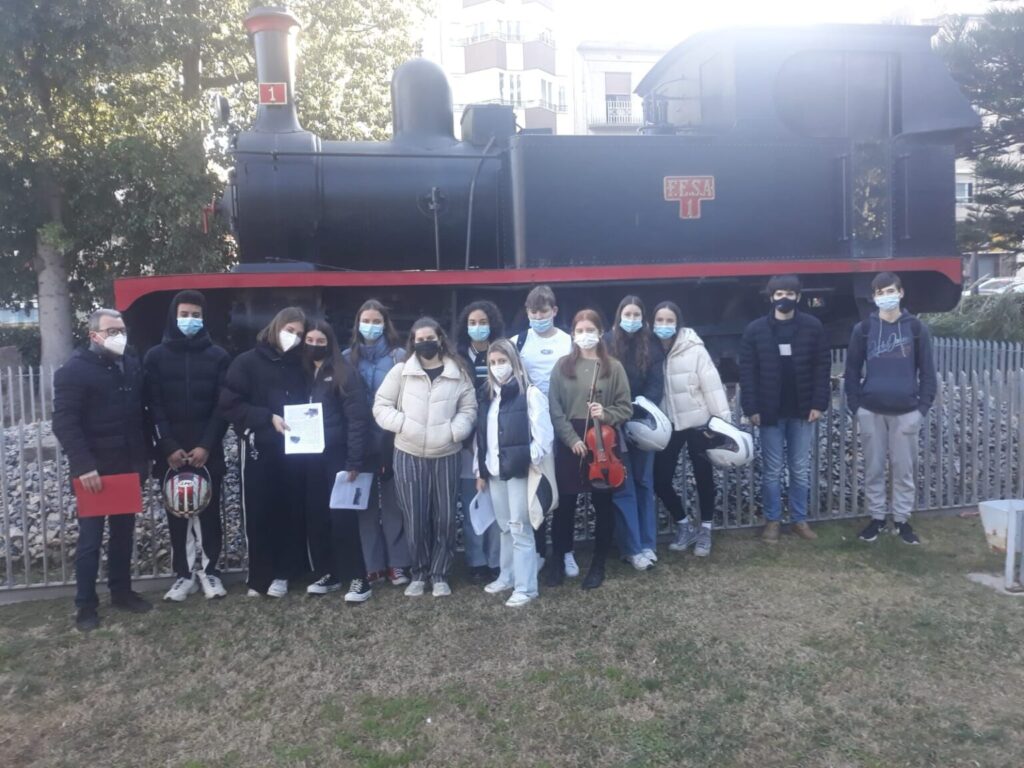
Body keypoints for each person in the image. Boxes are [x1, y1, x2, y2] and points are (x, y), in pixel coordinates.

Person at [53, 309, 152, 631]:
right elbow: (64, 422)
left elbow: (139, 414)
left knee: (123, 534)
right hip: (94, 470)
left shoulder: (130, 363)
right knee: (90, 540)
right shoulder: (74, 371)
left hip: (127, 464)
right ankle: (85, 605)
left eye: (121, 329)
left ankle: (121, 592)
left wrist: (144, 459)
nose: (118, 336)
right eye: (111, 331)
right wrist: (84, 466)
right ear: (94, 335)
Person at [373, 317, 477, 597]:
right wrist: (403, 425)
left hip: (446, 454)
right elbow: (381, 406)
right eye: (419, 339)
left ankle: (440, 573)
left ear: (440, 338)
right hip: (409, 453)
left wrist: (455, 431)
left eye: (430, 338)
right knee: (414, 516)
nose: (425, 343)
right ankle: (419, 573)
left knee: (445, 517)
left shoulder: (457, 372)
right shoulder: (401, 372)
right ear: (413, 342)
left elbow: (469, 408)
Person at [143, 290, 231, 602]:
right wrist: (167, 446)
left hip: (207, 451)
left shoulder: (218, 356)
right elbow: (152, 406)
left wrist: (207, 445)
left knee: (209, 514)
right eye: (184, 315)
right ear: (173, 316)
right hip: (172, 453)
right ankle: (184, 575)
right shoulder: (155, 357)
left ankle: (210, 572)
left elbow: (223, 406)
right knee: (177, 514)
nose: (190, 320)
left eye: (196, 315)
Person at [219, 306, 309, 597]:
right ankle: (259, 576)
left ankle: (284, 573)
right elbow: (230, 404)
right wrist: (265, 417)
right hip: (260, 448)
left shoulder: (301, 364)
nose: (293, 337)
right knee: (259, 512)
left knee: (290, 509)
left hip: (295, 449)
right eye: (289, 330)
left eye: (299, 334)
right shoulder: (246, 362)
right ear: (276, 327)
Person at [845, 272, 936, 545]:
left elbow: (928, 372)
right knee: (873, 469)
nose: (886, 296)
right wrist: (856, 406)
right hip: (871, 411)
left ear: (901, 292)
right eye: (881, 292)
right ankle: (876, 518)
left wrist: (921, 409)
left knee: (903, 471)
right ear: (874, 297)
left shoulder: (916, 329)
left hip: (906, 412)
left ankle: (901, 520)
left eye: (890, 291)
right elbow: (851, 370)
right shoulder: (863, 329)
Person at [739, 275, 831, 544]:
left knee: (800, 468)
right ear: (771, 298)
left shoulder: (813, 327)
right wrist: (751, 407)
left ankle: (799, 520)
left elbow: (822, 366)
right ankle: (773, 521)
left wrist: (819, 403)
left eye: (790, 293)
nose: (784, 298)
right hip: (770, 412)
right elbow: (748, 372)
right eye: (779, 294)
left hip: (802, 410)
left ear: (798, 297)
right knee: (772, 470)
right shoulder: (755, 330)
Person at [547, 309, 633, 590]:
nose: (585, 335)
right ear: (573, 334)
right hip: (571, 439)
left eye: (590, 330)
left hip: (602, 438)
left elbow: (625, 408)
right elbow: (555, 408)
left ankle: (598, 563)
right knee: (565, 504)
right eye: (580, 330)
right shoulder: (562, 367)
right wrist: (571, 439)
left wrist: (605, 413)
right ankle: (559, 559)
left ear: (600, 332)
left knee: (603, 503)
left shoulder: (613, 367)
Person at [474, 338, 554, 606]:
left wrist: (525, 459)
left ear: (514, 362)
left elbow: (544, 437)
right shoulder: (488, 396)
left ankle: (526, 587)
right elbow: (482, 436)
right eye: (493, 362)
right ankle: (507, 575)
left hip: (519, 471)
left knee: (520, 528)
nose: (498, 367)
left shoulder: (530, 394)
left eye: (502, 361)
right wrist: (481, 470)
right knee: (504, 527)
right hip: (495, 471)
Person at [302, 320, 375, 603]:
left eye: (320, 342)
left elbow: (357, 419)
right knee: (317, 516)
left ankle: (359, 578)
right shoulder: (303, 371)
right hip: (309, 454)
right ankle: (328, 573)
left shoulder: (344, 373)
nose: (314, 346)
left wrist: (353, 461)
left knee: (342, 517)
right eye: (310, 341)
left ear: (329, 343)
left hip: (337, 454)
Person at [652, 301, 730, 558]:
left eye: (669, 320)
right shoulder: (650, 349)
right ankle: (684, 524)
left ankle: (705, 528)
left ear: (678, 323)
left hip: (698, 423)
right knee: (660, 480)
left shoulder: (694, 348)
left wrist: (721, 423)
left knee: (703, 478)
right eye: (660, 320)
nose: (664, 325)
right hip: (669, 424)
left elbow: (712, 386)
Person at [343, 300, 412, 586]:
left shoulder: (399, 357)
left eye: (376, 321)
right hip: (359, 441)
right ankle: (373, 565)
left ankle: (398, 564)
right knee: (365, 506)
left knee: (395, 505)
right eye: (366, 320)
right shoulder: (346, 358)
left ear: (385, 324)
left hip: (391, 440)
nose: (370, 326)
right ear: (357, 324)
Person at [511, 285, 573, 571]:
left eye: (543, 311)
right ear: (527, 312)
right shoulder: (517, 343)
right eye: (533, 312)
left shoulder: (568, 342)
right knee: (536, 488)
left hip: (563, 423)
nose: (538, 317)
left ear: (554, 311)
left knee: (565, 489)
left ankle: (565, 550)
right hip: (532, 427)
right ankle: (537, 551)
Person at [605, 295, 664, 569]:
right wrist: (619, 413)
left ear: (643, 318)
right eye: (627, 314)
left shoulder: (651, 345)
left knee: (644, 482)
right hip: (614, 422)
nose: (631, 319)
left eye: (636, 315)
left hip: (642, 422)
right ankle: (631, 546)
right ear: (619, 316)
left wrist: (638, 411)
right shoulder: (607, 343)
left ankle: (648, 543)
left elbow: (655, 384)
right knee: (623, 485)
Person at [455, 300, 503, 581]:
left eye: (483, 322)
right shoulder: (457, 357)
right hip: (467, 442)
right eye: (472, 323)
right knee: (472, 500)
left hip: (497, 438)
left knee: (496, 502)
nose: (478, 327)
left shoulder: (502, 353)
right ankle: (476, 561)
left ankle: (496, 560)